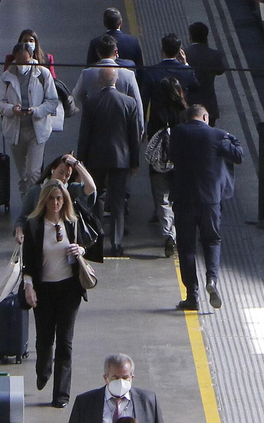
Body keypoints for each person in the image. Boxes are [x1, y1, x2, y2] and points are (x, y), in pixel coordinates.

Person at [20, 180, 95, 407]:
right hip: (44, 290)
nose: (55, 203)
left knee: (65, 342)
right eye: (51, 198)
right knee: (44, 339)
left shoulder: (71, 222)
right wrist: (29, 286)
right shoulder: (34, 226)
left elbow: (87, 242)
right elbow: (29, 263)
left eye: (59, 199)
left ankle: (61, 395)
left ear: (65, 201)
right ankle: (43, 370)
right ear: (45, 200)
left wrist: (80, 249)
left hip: (69, 290)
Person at [170, 104, 243, 310]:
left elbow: (171, 156)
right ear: (205, 116)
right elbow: (239, 156)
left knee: (186, 248)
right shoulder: (217, 135)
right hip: (210, 200)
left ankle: (192, 296)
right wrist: (230, 136)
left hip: (183, 199)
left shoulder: (177, 132)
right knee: (211, 241)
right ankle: (211, 279)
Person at [76, 66, 144, 257]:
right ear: (116, 80)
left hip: (96, 158)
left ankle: (97, 236)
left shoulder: (91, 102)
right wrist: (134, 161)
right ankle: (116, 242)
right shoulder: (129, 103)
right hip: (121, 159)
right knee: (118, 201)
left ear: (99, 81)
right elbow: (133, 135)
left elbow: (85, 135)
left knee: (97, 197)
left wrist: (80, 161)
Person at [0, 43, 62, 197]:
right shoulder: (6, 76)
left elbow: (52, 101)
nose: (22, 65)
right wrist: (12, 110)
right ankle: (26, 200)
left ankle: (33, 208)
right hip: (16, 131)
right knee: (24, 174)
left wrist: (37, 111)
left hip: (36, 131)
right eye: (19, 61)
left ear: (31, 57)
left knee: (33, 172)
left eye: (25, 61)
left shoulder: (43, 74)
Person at [145, 76, 189, 258]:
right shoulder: (184, 113)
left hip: (160, 163)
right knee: (179, 200)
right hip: (181, 162)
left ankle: (167, 233)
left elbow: (150, 137)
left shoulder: (156, 113)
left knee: (162, 199)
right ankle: (175, 233)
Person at [16, 153, 98, 238]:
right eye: (60, 172)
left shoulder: (70, 190)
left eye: (67, 175)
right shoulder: (35, 191)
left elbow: (91, 188)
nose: (63, 178)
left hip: (65, 238)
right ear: (53, 170)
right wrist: (19, 231)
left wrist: (76, 164)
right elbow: (23, 218)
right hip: (40, 238)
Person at [67, 354, 164, 423]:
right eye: (116, 377)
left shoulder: (148, 401)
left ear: (132, 377)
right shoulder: (85, 403)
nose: (121, 382)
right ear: (106, 378)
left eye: (125, 377)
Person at [71, 35, 144, 113]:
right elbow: (138, 104)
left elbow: (75, 97)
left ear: (98, 53)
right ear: (116, 52)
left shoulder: (86, 73)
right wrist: (140, 124)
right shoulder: (129, 75)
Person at [183, 23, 228, 125]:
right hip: (209, 106)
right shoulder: (215, 54)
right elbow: (220, 71)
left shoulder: (184, 54)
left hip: (189, 105)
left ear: (190, 37)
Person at [144, 33, 200, 115]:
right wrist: (186, 64)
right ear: (179, 51)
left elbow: (144, 99)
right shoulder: (187, 71)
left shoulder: (151, 71)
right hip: (180, 118)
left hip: (158, 119)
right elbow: (196, 88)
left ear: (162, 50)